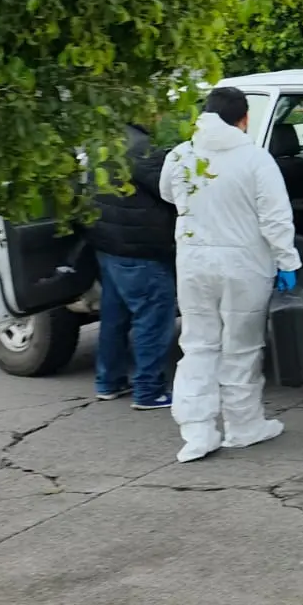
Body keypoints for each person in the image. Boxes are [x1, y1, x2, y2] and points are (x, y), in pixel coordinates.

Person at [160, 87, 301, 463]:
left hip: (193, 265)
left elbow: (168, 195)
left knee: (198, 346)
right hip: (245, 267)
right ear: (244, 119)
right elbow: (275, 218)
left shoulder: (181, 154)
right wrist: (288, 263)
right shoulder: (256, 159)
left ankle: (198, 433)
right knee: (241, 348)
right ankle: (244, 427)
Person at [84, 122, 178, 409]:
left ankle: (109, 382)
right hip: (142, 250)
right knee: (153, 317)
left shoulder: (102, 143)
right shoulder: (144, 150)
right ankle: (149, 390)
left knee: (115, 316)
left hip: (109, 245)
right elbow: (174, 191)